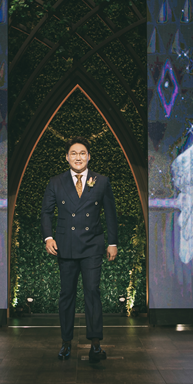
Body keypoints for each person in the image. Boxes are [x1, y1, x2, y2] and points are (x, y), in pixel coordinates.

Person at [41, 136, 118, 362]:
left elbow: (111, 213)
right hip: (65, 246)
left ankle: (95, 344)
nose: (78, 157)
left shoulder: (101, 181)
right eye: (73, 153)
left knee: (92, 292)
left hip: (92, 245)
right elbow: (46, 212)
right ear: (66, 157)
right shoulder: (56, 182)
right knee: (67, 294)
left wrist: (112, 242)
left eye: (82, 153)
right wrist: (48, 237)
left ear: (89, 156)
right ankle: (66, 342)